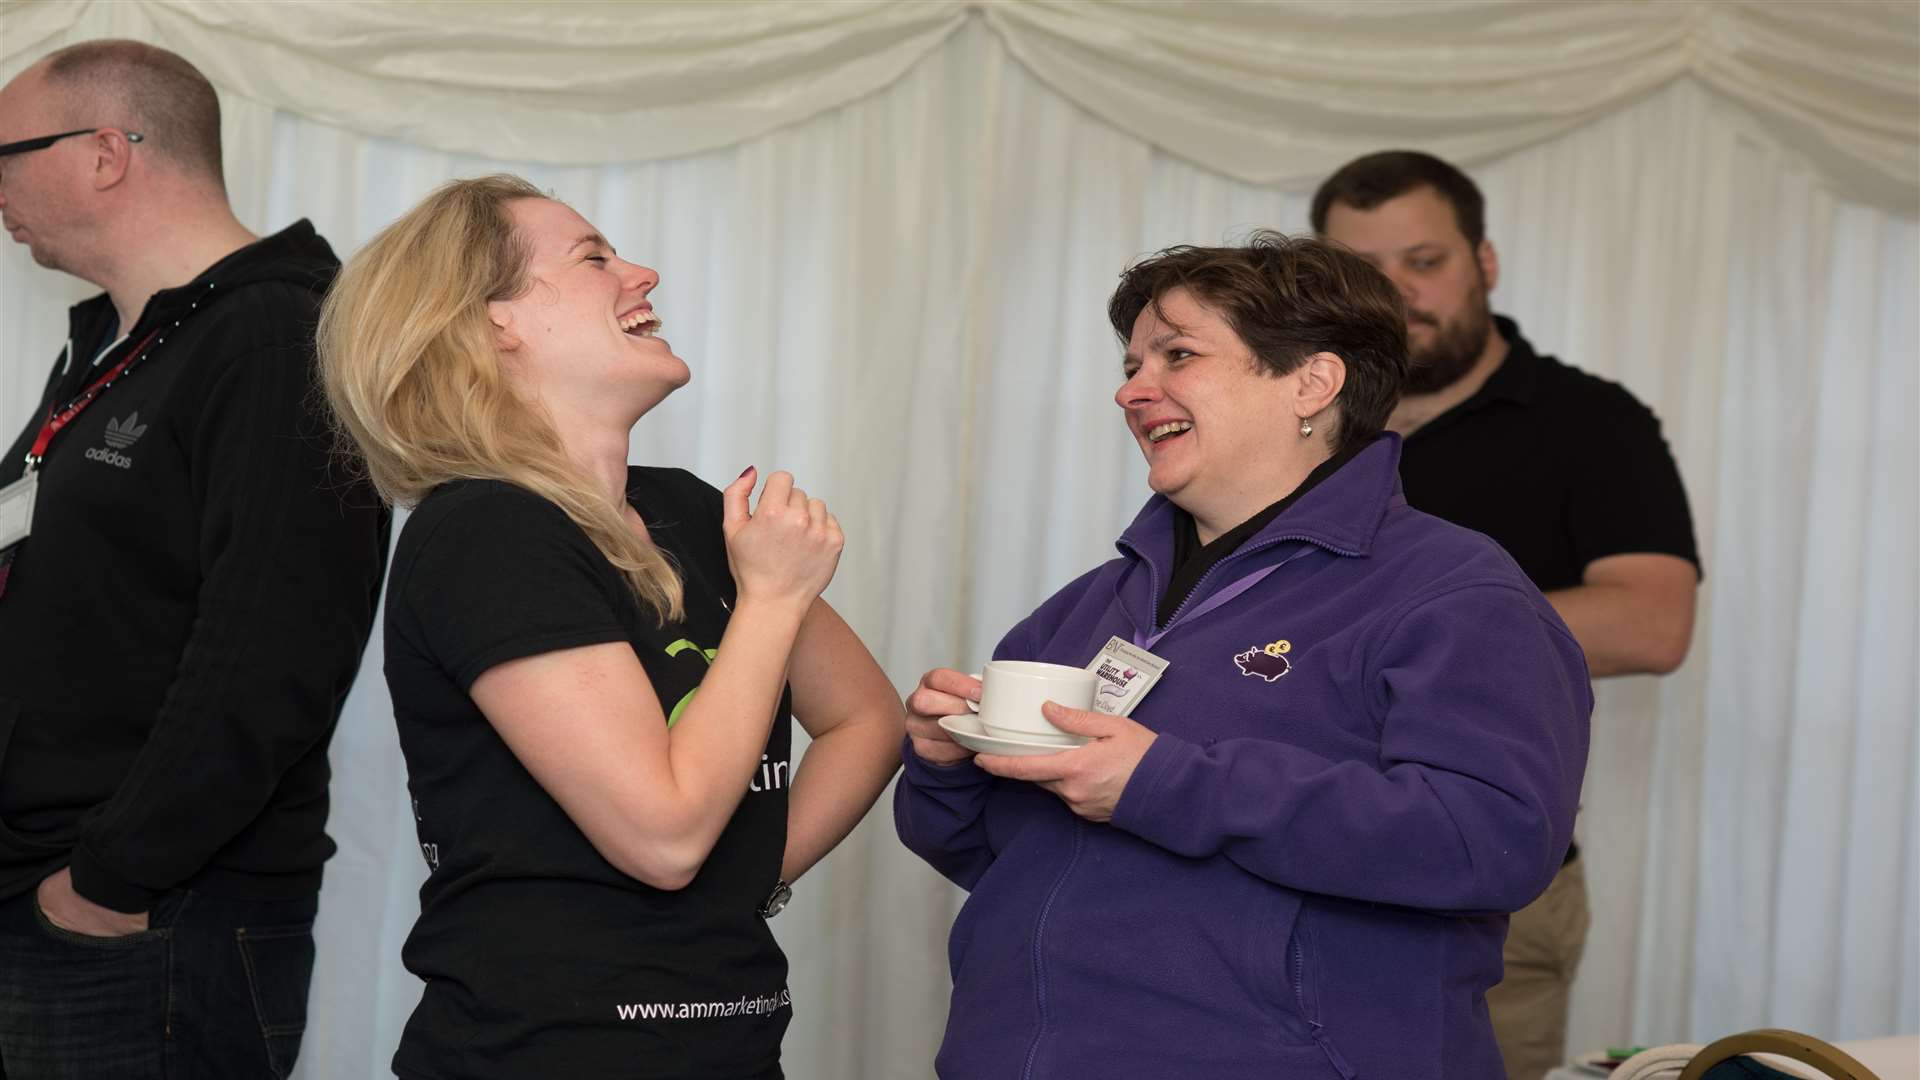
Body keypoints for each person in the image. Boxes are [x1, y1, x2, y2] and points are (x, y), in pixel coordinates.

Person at [895, 233, 1592, 1078]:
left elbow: (1494, 841)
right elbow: (994, 858)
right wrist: (946, 765)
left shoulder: (1456, 593)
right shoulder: (1084, 608)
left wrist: (1168, 786)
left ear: (1313, 381)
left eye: (1177, 355)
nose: (1130, 390)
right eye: (1131, 363)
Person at [317, 174, 904, 1079]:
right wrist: (773, 601)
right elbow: (668, 839)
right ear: (487, 322)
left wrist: (744, 877)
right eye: (595, 257)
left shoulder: (692, 512)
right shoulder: (487, 529)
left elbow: (868, 719)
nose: (645, 273)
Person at [0, 40, 388, 1079]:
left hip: (153, 921)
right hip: (74, 901)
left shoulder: (276, 337)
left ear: (105, 153)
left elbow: (272, 652)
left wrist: (107, 883)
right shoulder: (111, 350)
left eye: (5, 154)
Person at [1314, 150, 1702, 1080]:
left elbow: (1653, 622)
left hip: (1485, 874)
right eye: (1365, 272)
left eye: (1424, 261)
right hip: (1286, 853)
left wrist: (1394, 636)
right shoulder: (1298, 420)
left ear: (1484, 261)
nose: (1397, 294)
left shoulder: (1591, 421)